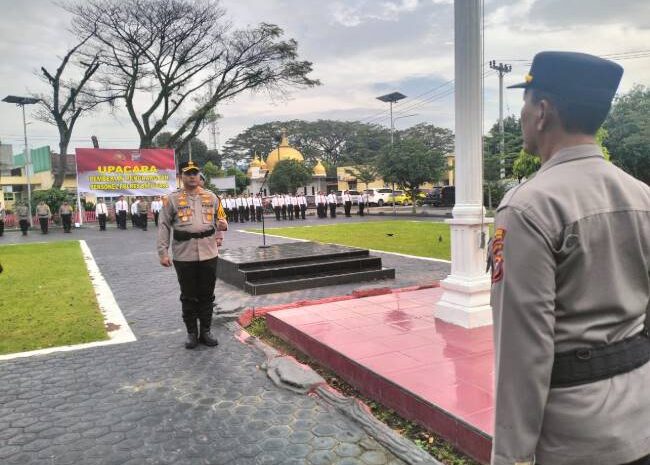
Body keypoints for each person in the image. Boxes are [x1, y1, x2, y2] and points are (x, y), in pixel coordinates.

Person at [489, 51, 650, 465]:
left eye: (525, 102)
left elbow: (523, 351)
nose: (522, 114)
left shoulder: (528, 208)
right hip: (640, 418)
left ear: (542, 112)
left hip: (574, 438)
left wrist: (511, 458)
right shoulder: (642, 196)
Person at [157, 161, 228, 349]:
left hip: (208, 253)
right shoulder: (171, 199)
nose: (192, 177)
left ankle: (206, 330)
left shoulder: (212, 197)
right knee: (188, 295)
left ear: (199, 176)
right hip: (184, 254)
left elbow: (220, 218)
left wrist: (221, 231)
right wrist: (163, 252)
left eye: (195, 173)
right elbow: (163, 226)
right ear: (181, 176)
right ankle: (191, 333)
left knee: (207, 294)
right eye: (188, 173)